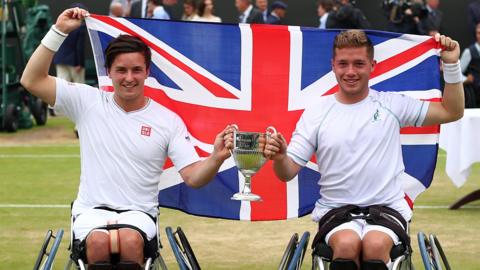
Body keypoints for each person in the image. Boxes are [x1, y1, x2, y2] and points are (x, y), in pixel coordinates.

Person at [20, 7, 234, 268]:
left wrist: (216, 157)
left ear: (147, 72)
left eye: (136, 70)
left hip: (140, 213)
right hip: (91, 211)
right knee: (99, 243)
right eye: (121, 70)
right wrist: (59, 31)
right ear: (108, 71)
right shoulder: (87, 101)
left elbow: (193, 177)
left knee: (130, 241)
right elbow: (31, 80)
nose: (129, 78)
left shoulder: (167, 120)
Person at [265, 29, 463, 269]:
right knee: (347, 245)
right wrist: (280, 156)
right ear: (333, 66)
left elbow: (451, 112)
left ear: (372, 65)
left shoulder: (392, 104)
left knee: (375, 246)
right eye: (343, 64)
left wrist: (451, 65)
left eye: (359, 64)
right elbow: (287, 172)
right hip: (336, 210)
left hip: (387, 208)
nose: (350, 71)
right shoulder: (317, 112)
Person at [461, 22, 480, 107]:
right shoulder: (469, 52)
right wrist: (466, 79)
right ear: (476, 34)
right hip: (475, 94)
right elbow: (457, 73)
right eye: (479, 33)